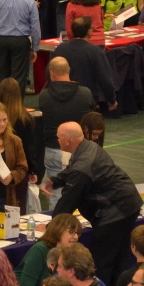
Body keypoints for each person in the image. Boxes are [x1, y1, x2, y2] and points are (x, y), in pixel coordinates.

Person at [46, 121, 142, 285]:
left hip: (115, 211)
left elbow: (68, 201)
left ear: (67, 141)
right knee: (120, 257)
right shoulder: (89, 146)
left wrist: (52, 228)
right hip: (129, 203)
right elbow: (72, 170)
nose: (58, 141)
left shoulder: (83, 164)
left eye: (59, 138)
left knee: (102, 261)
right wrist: (55, 181)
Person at [37, 59, 96, 203]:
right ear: (68, 70)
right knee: (81, 193)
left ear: (51, 73)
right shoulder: (86, 94)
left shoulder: (44, 96)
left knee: (56, 196)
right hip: (79, 151)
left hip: (54, 149)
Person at [15, 212, 81, 286]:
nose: (76, 237)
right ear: (58, 231)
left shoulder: (68, 252)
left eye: (77, 233)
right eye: (71, 232)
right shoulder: (40, 250)